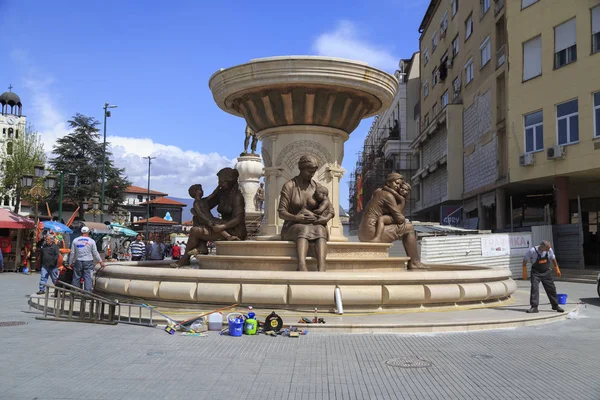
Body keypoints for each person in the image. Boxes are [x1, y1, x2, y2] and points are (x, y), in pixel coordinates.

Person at [173, 168, 247, 267]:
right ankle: (201, 247)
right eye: (219, 181)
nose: (220, 184)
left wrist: (223, 226)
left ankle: (187, 257)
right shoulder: (221, 194)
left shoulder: (237, 196)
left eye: (222, 181)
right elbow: (206, 205)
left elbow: (239, 219)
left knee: (195, 231)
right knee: (196, 218)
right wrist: (196, 209)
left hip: (234, 229)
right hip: (221, 226)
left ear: (230, 181)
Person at [358, 172, 427, 270]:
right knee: (409, 227)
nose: (398, 187)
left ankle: (414, 262)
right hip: (371, 232)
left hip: (362, 232)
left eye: (400, 185)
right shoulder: (388, 196)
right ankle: (414, 262)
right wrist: (403, 202)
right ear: (389, 182)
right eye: (396, 183)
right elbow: (399, 219)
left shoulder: (378, 191)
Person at [278, 155, 334, 272]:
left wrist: (324, 219)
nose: (312, 174)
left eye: (313, 172)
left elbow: (330, 209)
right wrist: (296, 217)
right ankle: (302, 265)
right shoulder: (290, 186)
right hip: (292, 225)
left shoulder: (318, 187)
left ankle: (322, 266)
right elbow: (282, 212)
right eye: (309, 171)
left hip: (315, 224)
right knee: (303, 229)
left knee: (321, 230)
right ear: (301, 169)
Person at [522, 240, 564, 313]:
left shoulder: (549, 250)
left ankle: (555, 305)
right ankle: (534, 307)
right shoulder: (532, 251)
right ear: (542, 247)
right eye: (547, 248)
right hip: (536, 273)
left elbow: (553, 258)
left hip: (546, 272)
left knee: (551, 289)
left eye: (549, 248)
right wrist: (524, 271)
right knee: (534, 289)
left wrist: (557, 268)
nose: (548, 250)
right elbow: (525, 260)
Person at [68, 226, 104, 292]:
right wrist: (100, 261)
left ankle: (75, 293)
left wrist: (70, 263)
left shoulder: (75, 240)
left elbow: (72, 253)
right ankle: (87, 293)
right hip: (88, 261)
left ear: (81, 232)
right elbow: (95, 252)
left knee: (76, 277)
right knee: (88, 278)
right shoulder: (91, 241)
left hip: (78, 261)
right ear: (88, 232)